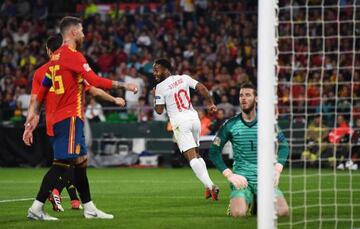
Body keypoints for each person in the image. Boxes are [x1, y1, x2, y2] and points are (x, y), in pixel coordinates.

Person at [23, 16, 137, 221]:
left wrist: (31, 117)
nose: (84, 34)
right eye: (82, 31)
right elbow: (94, 81)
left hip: (60, 119)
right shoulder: (73, 55)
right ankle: (36, 208)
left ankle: (90, 208)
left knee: (81, 161)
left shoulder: (55, 57)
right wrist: (124, 85)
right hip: (69, 118)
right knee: (61, 164)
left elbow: (42, 90)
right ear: (74, 32)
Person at [209, 82, 290, 217]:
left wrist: (277, 169)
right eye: (241, 95)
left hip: (265, 178)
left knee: (283, 211)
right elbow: (213, 151)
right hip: (242, 179)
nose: (243, 98)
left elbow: (284, 146)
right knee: (238, 213)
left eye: (248, 95)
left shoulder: (267, 123)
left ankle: (256, 201)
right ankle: (243, 201)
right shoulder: (230, 124)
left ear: (256, 98)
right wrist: (229, 174)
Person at [153, 58, 219, 200]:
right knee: (197, 154)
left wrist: (155, 97)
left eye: (157, 69)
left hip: (180, 121)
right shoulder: (184, 78)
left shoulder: (160, 87)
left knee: (191, 159)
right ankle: (207, 186)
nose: (154, 73)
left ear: (166, 69)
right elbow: (201, 88)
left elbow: (158, 110)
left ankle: (212, 185)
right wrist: (210, 104)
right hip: (194, 119)